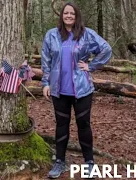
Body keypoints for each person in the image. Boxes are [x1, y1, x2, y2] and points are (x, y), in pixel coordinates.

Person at [41, 2, 112, 179]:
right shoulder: (52, 35)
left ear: (76, 15)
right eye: (66, 13)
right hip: (59, 90)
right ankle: (59, 162)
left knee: (84, 125)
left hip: (82, 89)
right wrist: (45, 83)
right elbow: (46, 61)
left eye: (72, 13)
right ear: (62, 15)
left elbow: (106, 49)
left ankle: (89, 163)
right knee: (61, 126)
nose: (69, 16)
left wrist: (92, 65)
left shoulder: (86, 34)